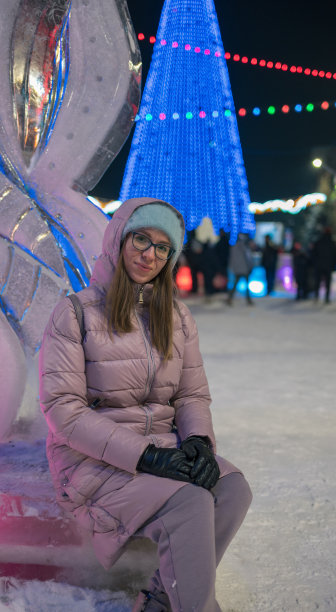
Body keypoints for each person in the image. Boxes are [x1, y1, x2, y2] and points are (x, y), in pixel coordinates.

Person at [39, 198, 252, 612]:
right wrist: (147, 456)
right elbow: (64, 411)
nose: (149, 254)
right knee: (190, 501)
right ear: (119, 238)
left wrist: (198, 443)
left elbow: (191, 395)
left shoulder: (176, 316)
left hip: (162, 447)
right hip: (92, 461)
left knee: (231, 488)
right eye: (141, 238)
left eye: (162, 247)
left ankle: (157, 599)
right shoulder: (74, 314)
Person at [312, 227, 336, 304]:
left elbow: (313, 254)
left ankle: (316, 296)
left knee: (317, 282)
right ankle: (326, 298)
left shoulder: (319, 242)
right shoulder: (332, 243)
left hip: (319, 265)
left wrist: (314, 263)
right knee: (328, 282)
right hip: (328, 266)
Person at [226, 233, 254, 306]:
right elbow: (247, 258)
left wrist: (233, 268)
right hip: (244, 269)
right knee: (244, 284)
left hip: (239, 269)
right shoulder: (244, 247)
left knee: (236, 284)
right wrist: (250, 266)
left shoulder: (234, 247)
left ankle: (230, 298)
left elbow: (232, 259)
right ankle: (248, 300)